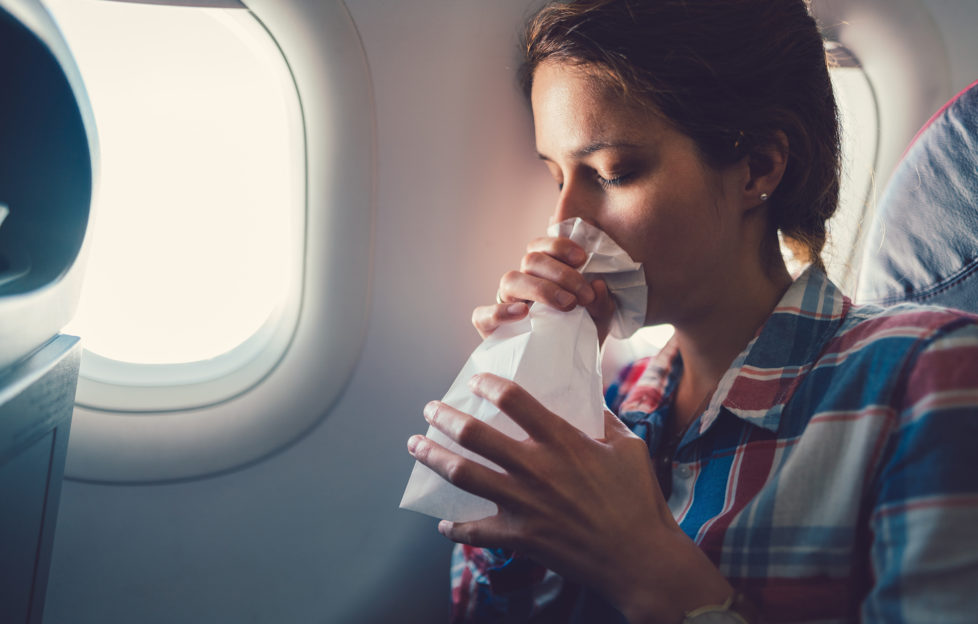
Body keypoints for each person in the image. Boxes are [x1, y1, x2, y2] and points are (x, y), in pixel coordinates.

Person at [405, 0, 978, 621]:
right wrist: (539, 385)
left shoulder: (928, 376)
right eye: (556, 175)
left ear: (758, 166)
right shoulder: (610, 406)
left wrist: (641, 563)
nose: (564, 225)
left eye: (612, 172)